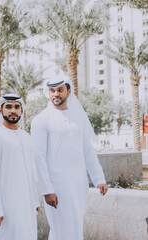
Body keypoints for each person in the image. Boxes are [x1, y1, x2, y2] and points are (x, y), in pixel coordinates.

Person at [31, 77, 108, 240]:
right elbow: (39, 157)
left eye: (60, 90)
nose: (56, 94)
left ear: (69, 91)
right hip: (57, 186)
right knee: (61, 230)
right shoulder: (41, 120)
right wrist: (47, 190)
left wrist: (99, 178)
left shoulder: (78, 118)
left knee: (74, 228)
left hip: (79, 185)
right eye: (52, 91)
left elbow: (87, 150)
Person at [0, 94, 40, 240]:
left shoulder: (25, 137)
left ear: (22, 111)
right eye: (8, 107)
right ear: (0, 111)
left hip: (27, 204)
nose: (13, 110)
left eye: (16, 107)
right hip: (7, 205)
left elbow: (29, 171)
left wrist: (35, 200)